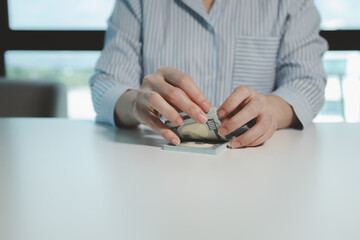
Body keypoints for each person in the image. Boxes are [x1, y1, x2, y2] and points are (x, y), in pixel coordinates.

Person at [90, 0, 328, 148]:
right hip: (156, 167)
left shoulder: (292, 3)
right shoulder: (136, 2)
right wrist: (135, 103)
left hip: (256, 173)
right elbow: (106, 85)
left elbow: (307, 80)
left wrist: (270, 109)